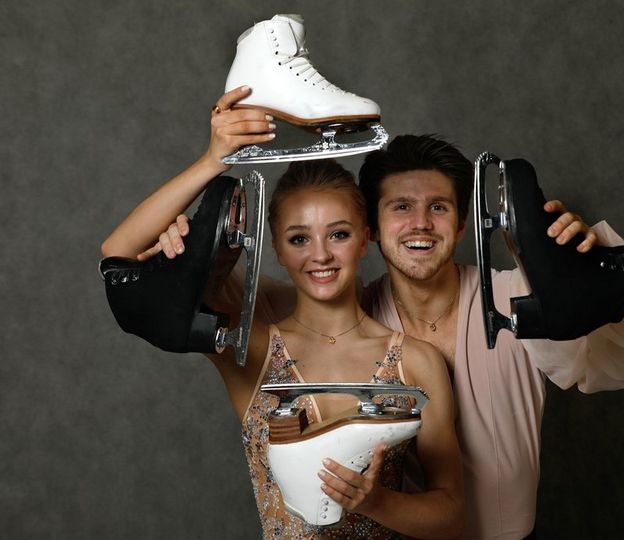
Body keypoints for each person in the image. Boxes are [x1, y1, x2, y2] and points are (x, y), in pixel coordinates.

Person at [125, 87, 624, 539]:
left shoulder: (519, 300)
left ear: (461, 226)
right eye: (400, 207)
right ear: (374, 231)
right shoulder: (319, 308)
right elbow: (148, 271)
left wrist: (578, 269)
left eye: (439, 207)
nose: (420, 224)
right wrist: (202, 195)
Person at [100, 93, 464, 538]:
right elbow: (117, 256)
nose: (321, 255)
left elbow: (451, 511)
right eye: (298, 239)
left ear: (365, 238)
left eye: (339, 234)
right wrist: (213, 161)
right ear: (274, 246)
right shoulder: (248, 346)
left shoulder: (417, 362)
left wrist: (375, 502)